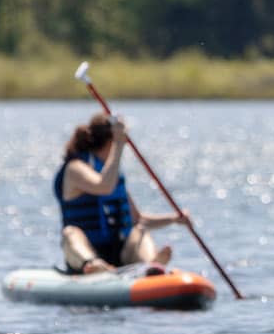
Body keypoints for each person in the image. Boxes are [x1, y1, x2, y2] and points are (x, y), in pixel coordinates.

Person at [55, 113, 189, 274]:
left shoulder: (112, 174)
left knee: (138, 230)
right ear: (111, 140)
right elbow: (104, 186)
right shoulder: (75, 168)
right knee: (70, 233)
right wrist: (118, 145)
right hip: (87, 255)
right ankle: (94, 265)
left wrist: (174, 219)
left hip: (119, 254)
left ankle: (152, 267)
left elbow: (138, 219)